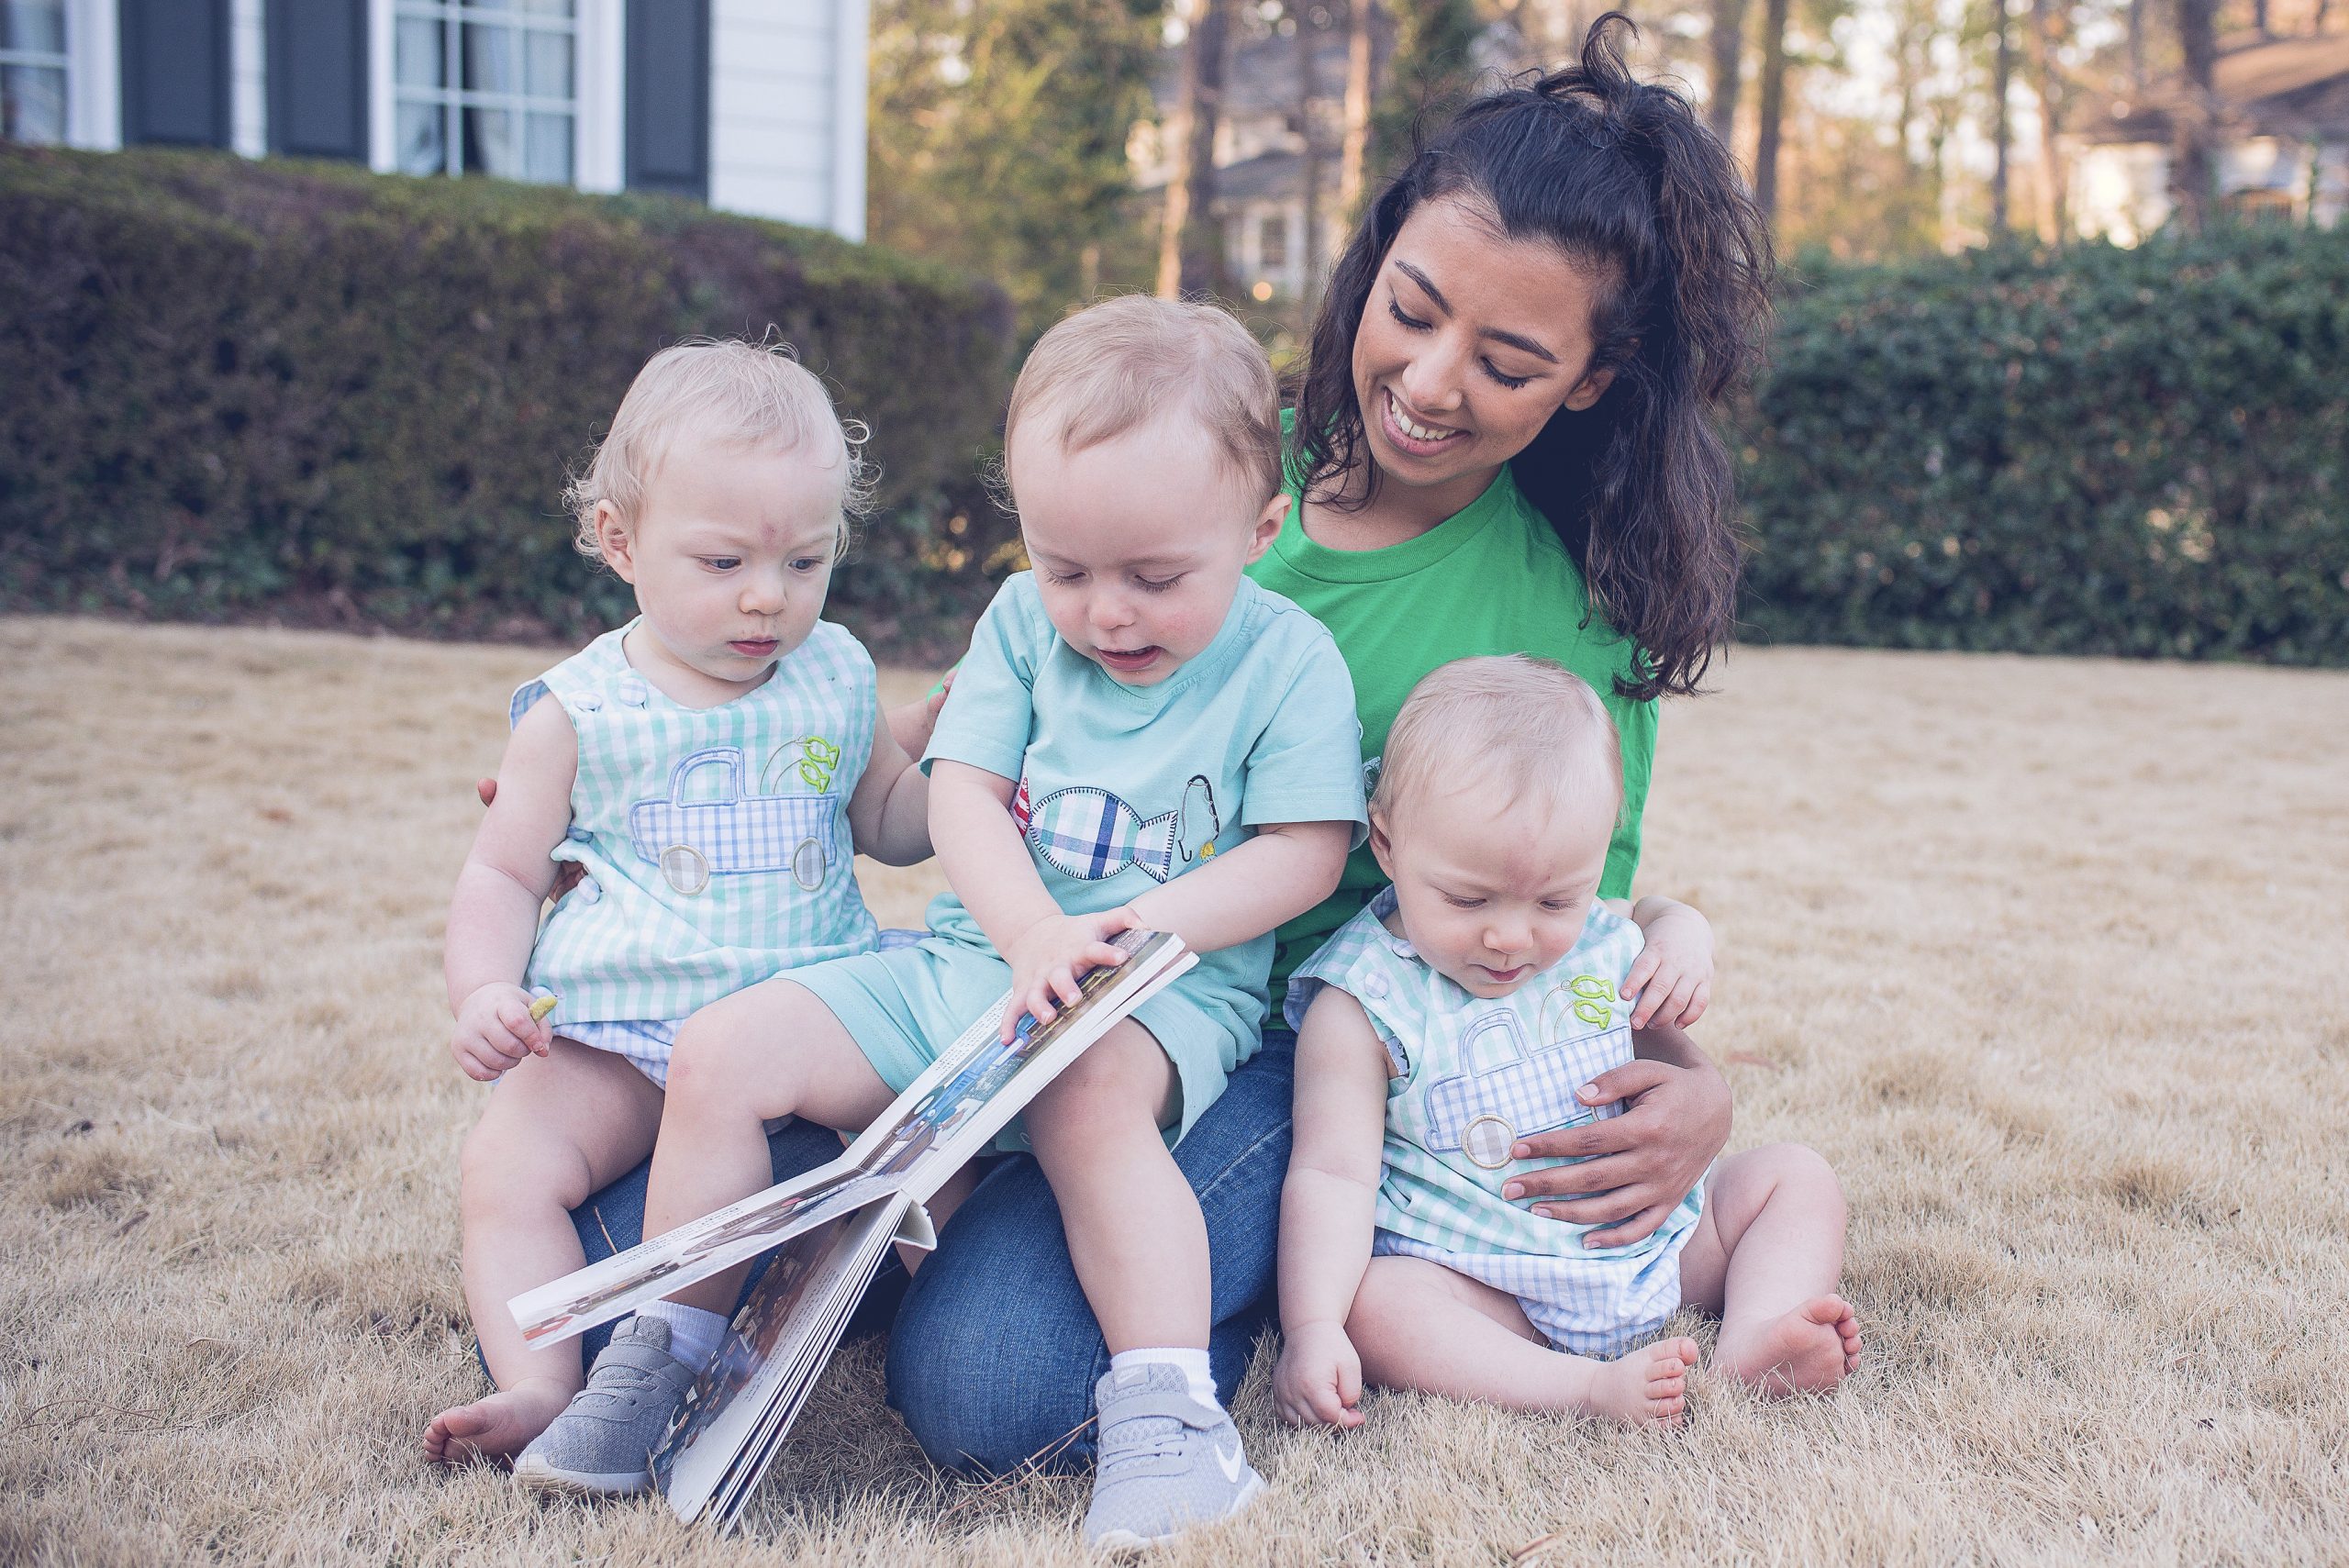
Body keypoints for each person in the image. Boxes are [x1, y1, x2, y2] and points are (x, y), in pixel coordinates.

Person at [547, 12, 1771, 1478]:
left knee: (995, 1391)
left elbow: (1574, 909)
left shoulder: (1556, 614)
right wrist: (622, 771)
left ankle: (1207, 1306)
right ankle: (854, 1257)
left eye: (1506, 360)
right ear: (1370, 260)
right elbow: (963, 756)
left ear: (1586, 382)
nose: (1433, 381)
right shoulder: (1188, 465)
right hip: (1004, 988)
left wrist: (1691, 1079)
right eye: (1414, 306)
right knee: (619, 1229)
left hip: (1275, 1042)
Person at [520, 295, 1367, 1542]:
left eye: (1155, 577)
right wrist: (1029, 931)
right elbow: (962, 793)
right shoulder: (1025, 626)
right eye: (1068, 567)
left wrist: (1128, 930)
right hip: (972, 969)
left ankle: (1168, 1410)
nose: (1108, 613)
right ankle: (669, 1352)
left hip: (1154, 995)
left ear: (1260, 529)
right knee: (725, 1051)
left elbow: (1306, 850)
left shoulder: (1289, 660)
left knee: (1081, 1094)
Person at [423, 340, 931, 1473]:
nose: (768, 595)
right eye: (723, 560)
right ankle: (539, 1384)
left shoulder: (835, 673)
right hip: (614, 1033)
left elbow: (888, 819)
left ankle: (908, 1292)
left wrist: (963, 783)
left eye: (806, 560)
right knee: (504, 1171)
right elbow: (502, 873)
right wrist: (485, 989)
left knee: (923, 1142)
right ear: (620, 540)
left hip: (796, 1020)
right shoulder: (579, 708)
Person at [1274, 658, 1860, 1432]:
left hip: (1662, 1247)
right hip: (1491, 1285)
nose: (1511, 936)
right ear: (1386, 843)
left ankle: (1757, 1336)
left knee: (1795, 1176)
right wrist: (1313, 1328)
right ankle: (1581, 1388)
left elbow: (1643, 911)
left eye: (1556, 898)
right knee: (1380, 1303)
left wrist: (1684, 928)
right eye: (1466, 897)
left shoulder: (1595, 937)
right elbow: (1332, 1173)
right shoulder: (1361, 1002)